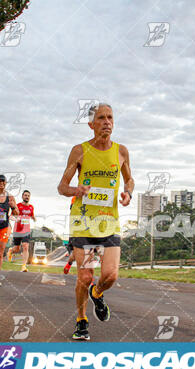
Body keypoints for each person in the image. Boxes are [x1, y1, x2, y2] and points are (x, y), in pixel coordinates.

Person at [57, 103, 134, 340]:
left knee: (110, 275)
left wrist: (127, 193)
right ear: (91, 124)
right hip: (84, 223)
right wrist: (76, 190)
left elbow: (129, 180)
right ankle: (81, 320)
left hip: (109, 223)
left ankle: (97, 294)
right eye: (101, 118)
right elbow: (62, 187)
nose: (107, 122)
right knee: (85, 276)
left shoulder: (121, 151)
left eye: (110, 117)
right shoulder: (79, 151)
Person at [7, 190, 36, 272]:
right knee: (16, 249)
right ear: (22, 196)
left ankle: (24, 266)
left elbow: (32, 215)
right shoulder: (18, 206)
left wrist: (35, 219)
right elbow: (11, 216)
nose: (27, 197)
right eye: (25, 195)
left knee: (25, 246)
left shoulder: (31, 207)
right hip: (17, 230)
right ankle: (11, 250)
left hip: (26, 230)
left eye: (28, 195)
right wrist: (16, 219)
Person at [63, 197, 77, 274]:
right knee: (75, 252)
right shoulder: (76, 197)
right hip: (78, 227)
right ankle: (69, 264)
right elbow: (73, 209)